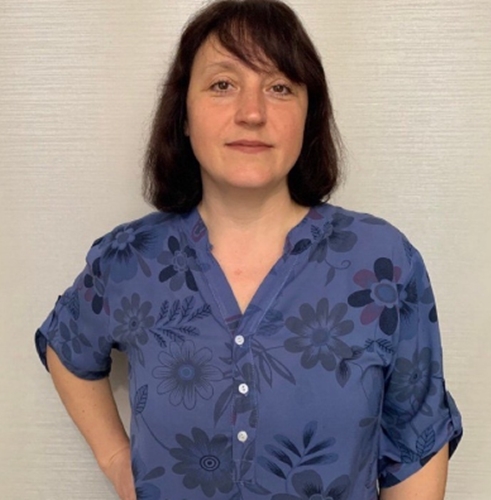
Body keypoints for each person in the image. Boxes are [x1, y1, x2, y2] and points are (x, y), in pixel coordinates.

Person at [35, 0, 462, 499]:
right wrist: (115, 460)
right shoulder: (131, 260)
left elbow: (416, 444)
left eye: (280, 87)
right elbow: (66, 345)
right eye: (223, 84)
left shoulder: (382, 264)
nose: (253, 113)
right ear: (184, 114)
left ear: (309, 115)